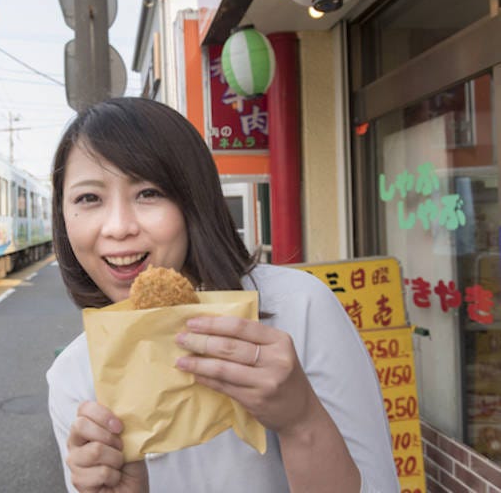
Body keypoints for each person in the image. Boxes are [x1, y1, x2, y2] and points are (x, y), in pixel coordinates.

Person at [46, 97, 399, 492]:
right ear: (63, 216)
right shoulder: (75, 376)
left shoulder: (298, 309)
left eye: (148, 192)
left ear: (193, 199)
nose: (118, 227)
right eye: (88, 198)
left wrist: (301, 421)